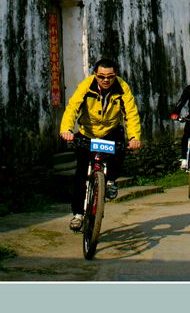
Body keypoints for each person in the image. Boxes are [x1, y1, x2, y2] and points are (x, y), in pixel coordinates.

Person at [60, 57, 142, 232]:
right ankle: (78, 215)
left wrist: (134, 137)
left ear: (115, 76)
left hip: (110, 131)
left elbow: (131, 113)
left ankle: (111, 181)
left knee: (120, 149)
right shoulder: (86, 86)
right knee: (81, 174)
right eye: (101, 76)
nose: (106, 80)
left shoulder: (122, 88)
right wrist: (66, 129)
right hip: (88, 132)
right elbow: (72, 107)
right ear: (95, 75)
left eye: (110, 76)